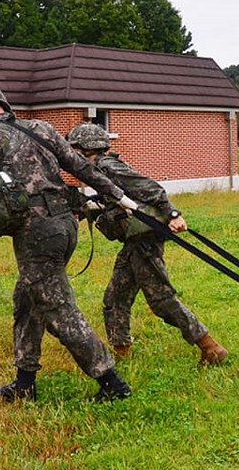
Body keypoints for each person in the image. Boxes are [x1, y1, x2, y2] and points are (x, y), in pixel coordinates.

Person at [0, 84, 140, 403]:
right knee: (27, 300)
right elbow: (79, 165)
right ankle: (24, 383)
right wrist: (117, 194)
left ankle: (113, 384)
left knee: (58, 309)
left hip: (36, 234)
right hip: (64, 224)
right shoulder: (40, 128)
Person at [66, 123, 228, 365]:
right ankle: (121, 353)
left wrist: (173, 215)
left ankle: (210, 347)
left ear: (86, 148)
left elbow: (150, 188)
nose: (73, 155)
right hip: (134, 244)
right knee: (115, 298)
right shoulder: (98, 170)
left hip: (145, 243)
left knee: (162, 300)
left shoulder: (108, 167)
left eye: (75, 149)